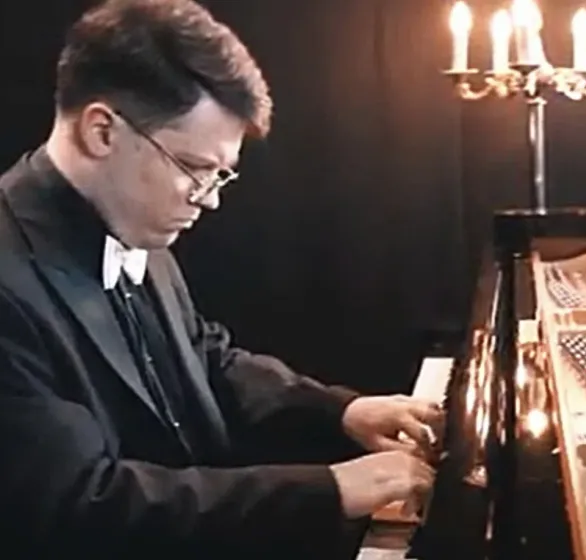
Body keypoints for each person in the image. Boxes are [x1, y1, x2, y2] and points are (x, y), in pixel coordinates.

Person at [0, 0, 439, 558]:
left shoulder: (128, 214)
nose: (207, 200)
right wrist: (329, 489)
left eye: (219, 175)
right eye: (195, 169)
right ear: (102, 131)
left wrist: (340, 412)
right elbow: (81, 504)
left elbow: (203, 358)